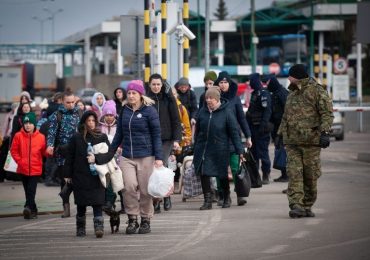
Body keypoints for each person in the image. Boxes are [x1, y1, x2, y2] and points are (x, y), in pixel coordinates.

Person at [277, 64, 333, 218]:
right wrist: (280, 134)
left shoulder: (317, 91)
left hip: (311, 142)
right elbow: (286, 116)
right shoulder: (292, 94)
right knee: (294, 173)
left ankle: (307, 204)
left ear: (298, 76)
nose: (288, 78)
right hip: (293, 143)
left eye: (290, 75)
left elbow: (327, 114)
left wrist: (325, 133)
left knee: (310, 176)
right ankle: (296, 205)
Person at [111, 80, 163, 234]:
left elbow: (156, 135)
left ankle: (145, 219)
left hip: (146, 155)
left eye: (134, 93)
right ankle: (132, 218)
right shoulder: (124, 110)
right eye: (129, 93)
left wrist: (159, 157)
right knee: (128, 187)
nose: (131, 96)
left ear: (141, 94)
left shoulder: (149, 111)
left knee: (146, 190)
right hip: (127, 156)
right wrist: (109, 152)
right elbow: (119, 133)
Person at [64, 110, 115, 238]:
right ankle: (80, 228)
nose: (91, 123)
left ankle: (99, 227)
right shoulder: (76, 137)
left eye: (93, 121)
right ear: (84, 122)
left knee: (97, 203)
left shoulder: (101, 136)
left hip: (97, 175)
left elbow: (109, 154)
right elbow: (69, 156)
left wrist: (96, 158)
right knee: (81, 204)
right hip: (80, 175)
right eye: (88, 121)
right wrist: (67, 174)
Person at [193, 87, 245, 210]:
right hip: (204, 148)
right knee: (203, 173)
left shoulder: (227, 112)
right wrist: (196, 146)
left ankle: (226, 196)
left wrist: (240, 151)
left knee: (221, 175)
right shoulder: (202, 112)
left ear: (217, 99)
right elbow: (198, 131)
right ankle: (207, 200)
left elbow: (234, 133)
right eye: (207, 98)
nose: (208, 101)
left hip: (220, 148)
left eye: (211, 98)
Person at [214, 71, 253, 206]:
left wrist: (248, 136)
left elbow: (242, 119)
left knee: (236, 167)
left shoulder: (235, 99)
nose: (223, 85)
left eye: (226, 82)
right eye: (221, 82)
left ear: (229, 84)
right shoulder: (213, 98)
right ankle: (223, 195)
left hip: (233, 139)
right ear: (217, 84)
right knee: (220, 169)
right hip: (218, 139)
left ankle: (240, 194)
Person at [147, 74, 182, 213]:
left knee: (162, 165)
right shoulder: (146, 100)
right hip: (150, 138)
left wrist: (176, 139)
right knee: (152, 169)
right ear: (150, 85)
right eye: (153, 84)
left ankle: (166, 197)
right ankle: (156, 200)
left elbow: (176, 120)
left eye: (158, 84)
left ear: (162, 85)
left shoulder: (168, 99)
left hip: (166, 139)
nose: (156, 87)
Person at [46, 91, 81, 218]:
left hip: (78, 152)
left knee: (78, 178)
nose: (71, 105)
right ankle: (65, 207)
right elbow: (51, 132)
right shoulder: (57, 115)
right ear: (62, 101)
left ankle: (80, 206)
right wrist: (50, 145)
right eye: (68, 102)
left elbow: (86, 130)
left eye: (73, 102)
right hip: (62, 153)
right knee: (64, 180)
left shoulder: (79, 113)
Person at [10, 112, 47, 219]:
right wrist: (19, 161)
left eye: (30, 123)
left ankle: (27, 207)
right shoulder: (18, 136)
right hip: (23, 168)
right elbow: (14, 151)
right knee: (27, 191)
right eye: (26, 123)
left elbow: (44, 152)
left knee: (31, 190)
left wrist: (49, 151)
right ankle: (33, 210)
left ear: (34, 124)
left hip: (35, 169)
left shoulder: (41, 137)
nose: (28, 125)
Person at [246, 73, 273, 185]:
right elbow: (251, 110)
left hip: (262, 129)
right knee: (254, 154)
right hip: (253, 129)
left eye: (250, 81)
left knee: (263, 153)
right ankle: (255, 177)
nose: (249, 83)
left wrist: (263, 125)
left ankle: (266, 175)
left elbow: (267, 111)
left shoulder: (264, 94)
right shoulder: (254, 94)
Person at [99, 100, 125, 214]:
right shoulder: (100, 127)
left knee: (120, 179)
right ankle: (109, 202)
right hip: (106, 157)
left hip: (119, 156)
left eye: (111, 115)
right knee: (108, 179)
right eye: (107, 115)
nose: (109, 117)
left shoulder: (119, 125)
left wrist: (120, 147)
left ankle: (124, 203)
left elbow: (122, 138)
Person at [267, 74, 289, 182]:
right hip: (276, 127)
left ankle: (287, 174)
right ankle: (283, 173)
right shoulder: (274, 93)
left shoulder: (282, 93)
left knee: (283, 150)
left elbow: (287, 111)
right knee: (279, 149)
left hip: (283, 127)